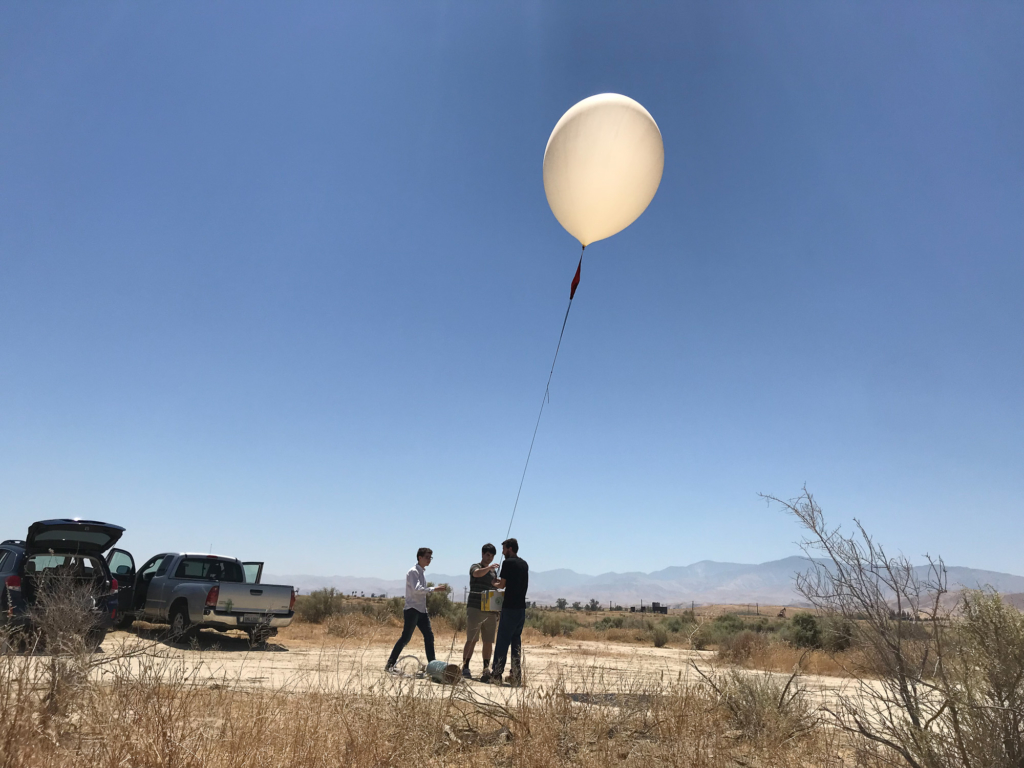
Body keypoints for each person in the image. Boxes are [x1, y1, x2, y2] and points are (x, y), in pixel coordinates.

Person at [385, 547, 449, 671]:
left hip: (421, 610)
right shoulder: (413, 572)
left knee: (429, 636)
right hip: (412, 609)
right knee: (406, 637)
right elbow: (416, 589)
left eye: (430, 557)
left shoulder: (421, 572)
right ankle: (390, 664)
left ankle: (433, 666)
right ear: (419, 557)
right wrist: (433, 589)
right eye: (427, 557)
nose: (429, 560)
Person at [488, 538, 528, 685]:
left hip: (510, 607)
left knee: (502, 642)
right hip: (521, 609)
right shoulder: (524, 564)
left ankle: (496, 674)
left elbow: (502, 585)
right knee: (516, 643)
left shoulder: (508, 563)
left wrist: (494, 583)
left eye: (504, 549)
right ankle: (516, 676)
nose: (503, 552)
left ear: (510, 548)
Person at [462, 543, 500, 679]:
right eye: (488, 555)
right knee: (471, 639)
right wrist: (489, 567)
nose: (490, 558)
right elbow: (476, 574)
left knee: (488, 641)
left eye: (492, 556)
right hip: (475, 608)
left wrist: (498, 583)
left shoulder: (492, 572)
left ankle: (486, 668)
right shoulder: (476, 566)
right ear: (483, 554)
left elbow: (494, 585)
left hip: (490, 610)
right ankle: (465, 667)